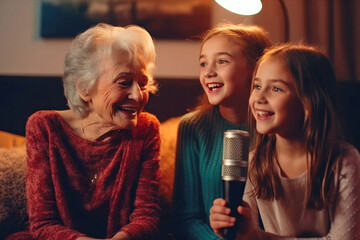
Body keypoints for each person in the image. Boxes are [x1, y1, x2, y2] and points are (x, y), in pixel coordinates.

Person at [6, 23, 161, 240]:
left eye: (143, 84)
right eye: (124, 82)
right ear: (84, 87)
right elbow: (43, 223)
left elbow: (147, 216)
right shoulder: (44, 127)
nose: (137, 95)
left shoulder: (146, 129)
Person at [209, 43, 360, 239]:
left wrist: (257, 237)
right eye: (257, 86)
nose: (259, 97)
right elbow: (249, 235)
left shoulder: (345, 163)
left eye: (276, 89)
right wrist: (235, 229)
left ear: (309, 102)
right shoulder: (254, 162)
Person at [172, 23, 272, 239]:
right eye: (203, 63)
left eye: (222, 61)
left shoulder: (275, 127)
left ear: (255, 69)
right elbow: (186, 219)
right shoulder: (192, 127)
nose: (208, 72)